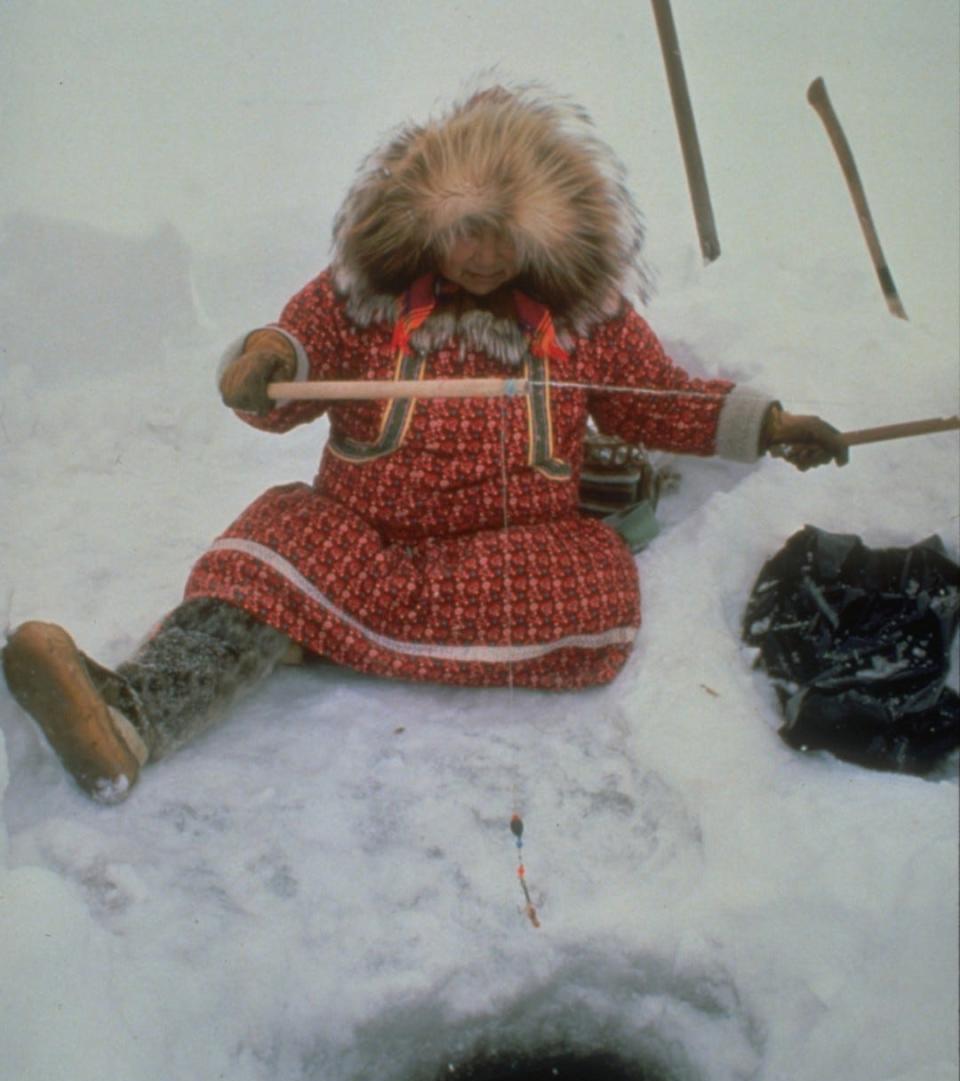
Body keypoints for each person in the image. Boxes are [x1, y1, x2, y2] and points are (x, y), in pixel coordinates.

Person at [2, 84, 847, 803]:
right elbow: (292, 360)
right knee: (268, 541)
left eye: (502, 231)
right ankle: (128, 719)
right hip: (361, 539)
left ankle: (314, 626)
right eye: (463, 230)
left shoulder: (587, 321)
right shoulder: (363, 299)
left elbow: (656, 402)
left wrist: (768, 425)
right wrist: (261, 365)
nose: (480, 255)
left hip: (508, 555)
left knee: (597, 583)